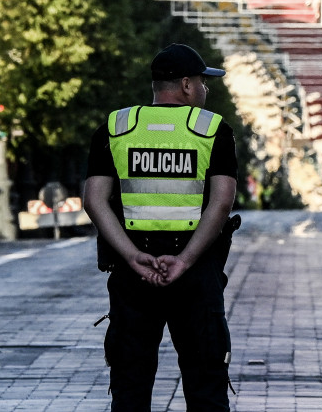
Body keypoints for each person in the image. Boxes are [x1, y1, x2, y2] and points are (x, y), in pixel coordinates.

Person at [83, 43, 237, 411]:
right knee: (206, 387)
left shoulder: (117, 127)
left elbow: (93, 199)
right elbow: (222, 202)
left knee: (130, 388)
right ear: (186, 85)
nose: (205, 89)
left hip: (133, 275)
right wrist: (184, 260)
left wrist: (133, 255)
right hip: (196, 274)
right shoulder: (213, 130)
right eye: (202, 81)